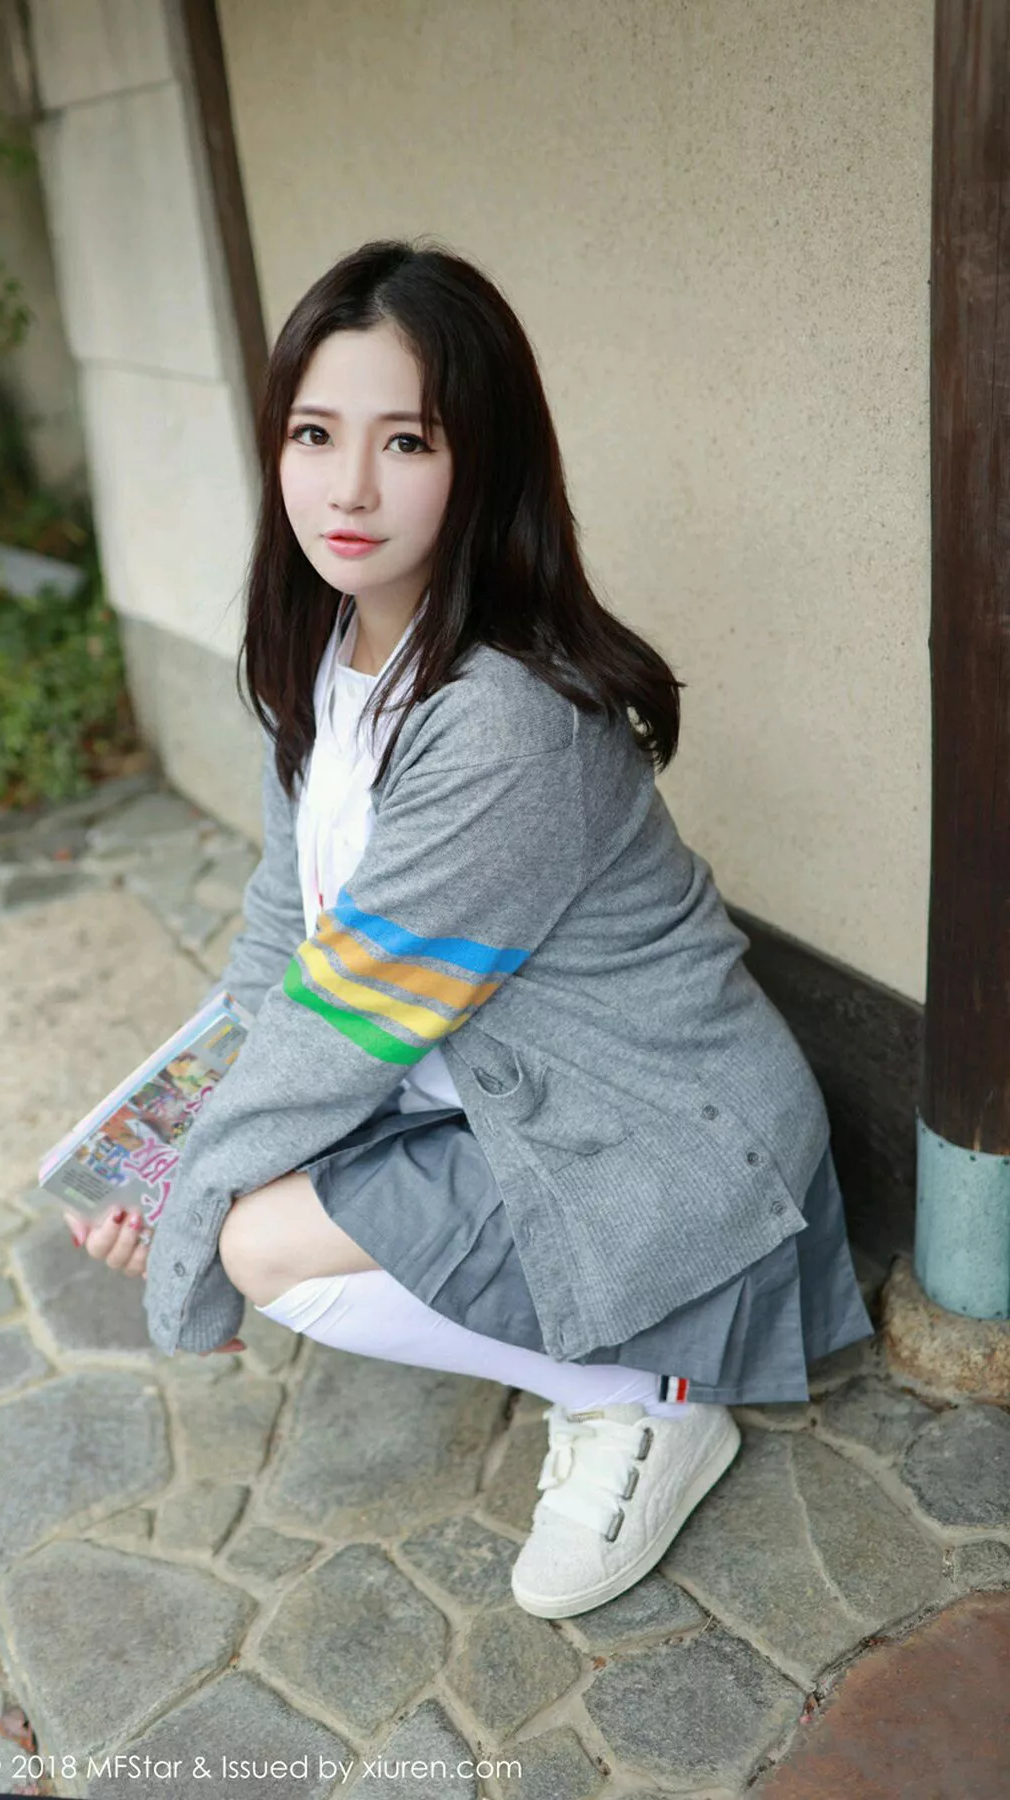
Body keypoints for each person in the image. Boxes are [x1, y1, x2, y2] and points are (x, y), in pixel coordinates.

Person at [65, 238, 872, 1620]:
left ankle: (648, 1395)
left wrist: (191, 1211)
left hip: (657, 1135)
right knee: (242, 1192)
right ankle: (607, 1365)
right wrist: (166, 1135)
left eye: (407, 441)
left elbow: (347, 1020)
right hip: (491, 1092)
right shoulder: (326, 660)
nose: (349, 487)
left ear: (481, 460)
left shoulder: (502, 716)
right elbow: (284, 942)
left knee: (256, 1244)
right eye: (315, 434)